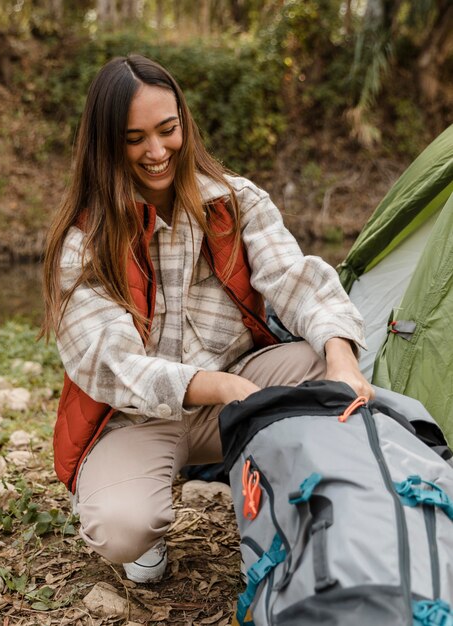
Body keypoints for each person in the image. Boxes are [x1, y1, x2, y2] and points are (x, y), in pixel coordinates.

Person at [42, 54, 373, 584]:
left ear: (184, 123)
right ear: (106, 144)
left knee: (322, 368)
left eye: (167, 130)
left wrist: (341, 357)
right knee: (124, 527)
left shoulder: (237, 202)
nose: (156, 152)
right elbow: (111, 365)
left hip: (238, 389)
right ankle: (147, 531)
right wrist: (215, 386)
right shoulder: (84, 241)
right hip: (137, 415)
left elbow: (295, 279)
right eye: (134, 139)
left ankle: (291, 500)